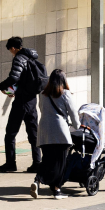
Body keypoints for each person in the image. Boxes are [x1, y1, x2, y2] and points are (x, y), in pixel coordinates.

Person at [0, 36, 46, 174]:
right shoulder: (32, 57)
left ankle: (10, 163)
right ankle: (37, 163)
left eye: (10, 50)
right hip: (32, 100)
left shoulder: (19, 58)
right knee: (33, 134)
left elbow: (14, 77)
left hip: (22, 101)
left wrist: (2, 86)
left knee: (10, 134)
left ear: (13, 48)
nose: (11, 53)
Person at [32, 69, 77, 199]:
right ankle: (57, 190)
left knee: (47, 160)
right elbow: (73, 113)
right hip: (60, 132)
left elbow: (42, 109)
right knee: (60, 163)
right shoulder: (65, 94)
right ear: (63, 80)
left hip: (44, 131)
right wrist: (77, 126)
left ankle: (37, 180)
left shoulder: (42, 94)